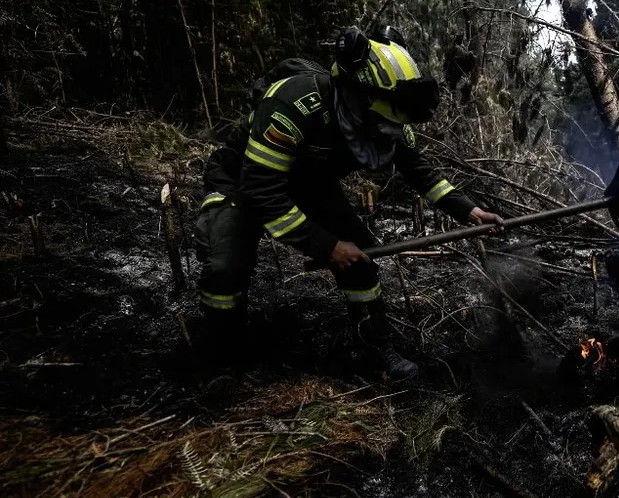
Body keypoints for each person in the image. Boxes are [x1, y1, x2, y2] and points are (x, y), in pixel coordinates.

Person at [193, 25, 503, 380]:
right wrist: (327, 247)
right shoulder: (292, 104)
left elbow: (419, 170)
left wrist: (467, 210)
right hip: (242, 180)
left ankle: (373, 345)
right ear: (357, 94)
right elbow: (263, 192)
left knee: (360, 255)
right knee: (225, 267)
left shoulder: (388, 114)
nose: (388, 130)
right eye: (384, 120)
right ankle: (224, 350)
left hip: (309, 183)